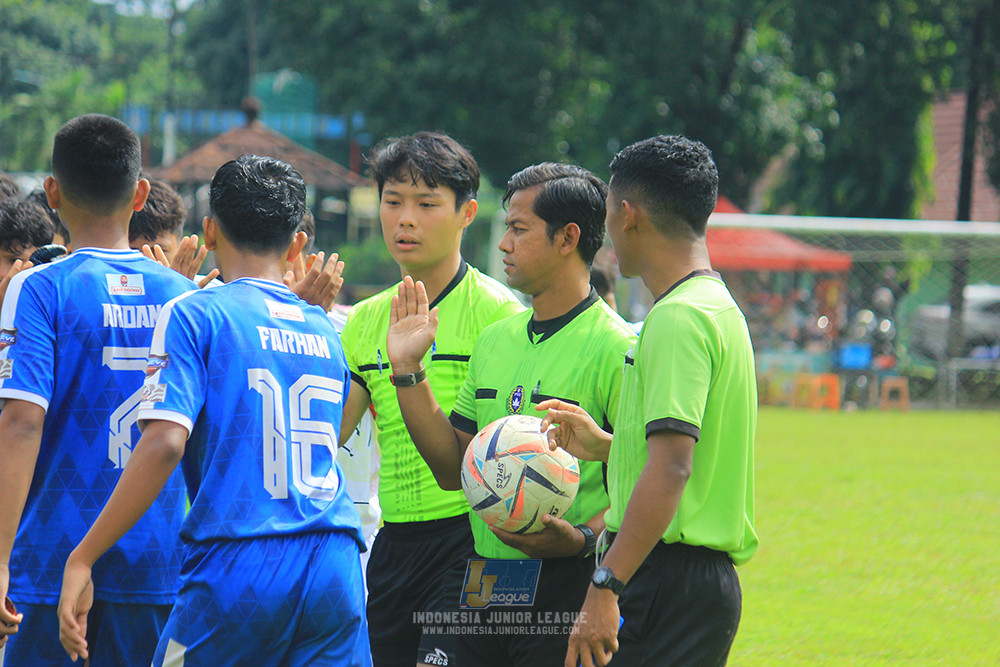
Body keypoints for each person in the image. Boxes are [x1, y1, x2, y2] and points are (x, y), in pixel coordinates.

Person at [58, 154, 370, 666]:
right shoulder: (322, 327)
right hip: (335, 557)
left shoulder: (194, 313)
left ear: (209, 230)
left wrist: (84, 555)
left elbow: (164, 443)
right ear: (296, 243)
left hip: (241, 557)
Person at [387, 162, 636, 666]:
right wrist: (409, 371)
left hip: (570, 580)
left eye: (519, 230)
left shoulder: (619, 348)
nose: (503, 244)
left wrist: (582, 538)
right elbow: (451, 469)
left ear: (568, 238)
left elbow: (642, 478)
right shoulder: (495, 340)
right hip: (488, 575)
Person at [540, 135, 758, 667]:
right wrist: (610, 447)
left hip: (665, 577)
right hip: (691, 582)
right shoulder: (717, 306)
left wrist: (606, 582)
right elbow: (688, 458)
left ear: (628, 215)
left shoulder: (678, 318)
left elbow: (673, 469)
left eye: (609, 214)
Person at [0, 113, 196, 666]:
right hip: (158, 559)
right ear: (140, 194)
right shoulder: (186, 297)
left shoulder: (38, 288)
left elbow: (21, 423)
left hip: (51, 554)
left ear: (52, 193)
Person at [338, 131, 523, 667]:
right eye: (392, 201)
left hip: (482, 542)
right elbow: (326, 435)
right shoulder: (364, 321)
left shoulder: (501, 316)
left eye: (426, 204)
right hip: (394, 544)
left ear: (467, 213)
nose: (405, 220)